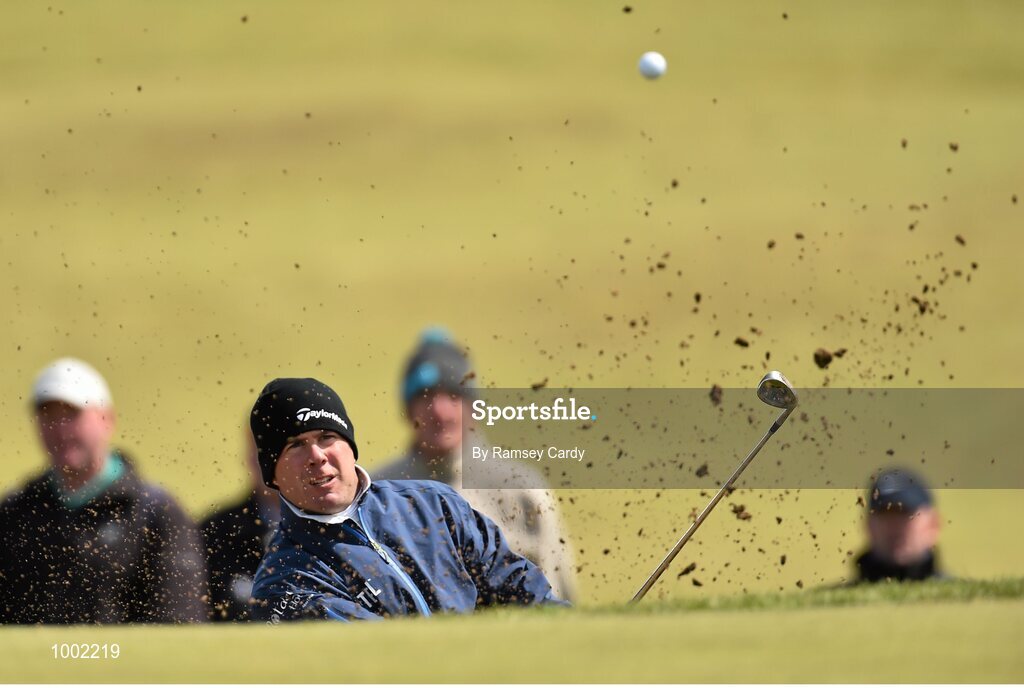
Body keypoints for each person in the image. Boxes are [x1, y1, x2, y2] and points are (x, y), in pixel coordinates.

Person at [248, 377, 565, 622]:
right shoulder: (284, 581)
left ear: (350, 448)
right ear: (272, 474)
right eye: (295, 445)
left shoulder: (433, 504)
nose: (317, 456)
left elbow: (528, 596)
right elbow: (383, 654)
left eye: (327, 437)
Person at [372, 330, 577, 600]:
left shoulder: (521, 489)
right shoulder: (377, 494)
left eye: (453, 396)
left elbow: (559, 600)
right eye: (425, 397)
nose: (439, 411)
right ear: (408, 410)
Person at [0, 358, 207, 624]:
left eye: (72, 414)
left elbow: (177, 623)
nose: (59, 429)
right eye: (48, 416)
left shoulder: (156, 513)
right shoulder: (15, 512)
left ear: (107, 419)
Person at [200, 432, 280, 621]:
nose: (271, 460)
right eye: (262, 449)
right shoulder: (214, 531)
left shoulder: (339, 528)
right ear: (249, 459)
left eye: (287, 448)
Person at [853, 467, 947, 583]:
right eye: (885, 514)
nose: (894, 525)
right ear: (868, 525)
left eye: (905, 513)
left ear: (933, 525)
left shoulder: (958, 593)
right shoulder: (843, 594)